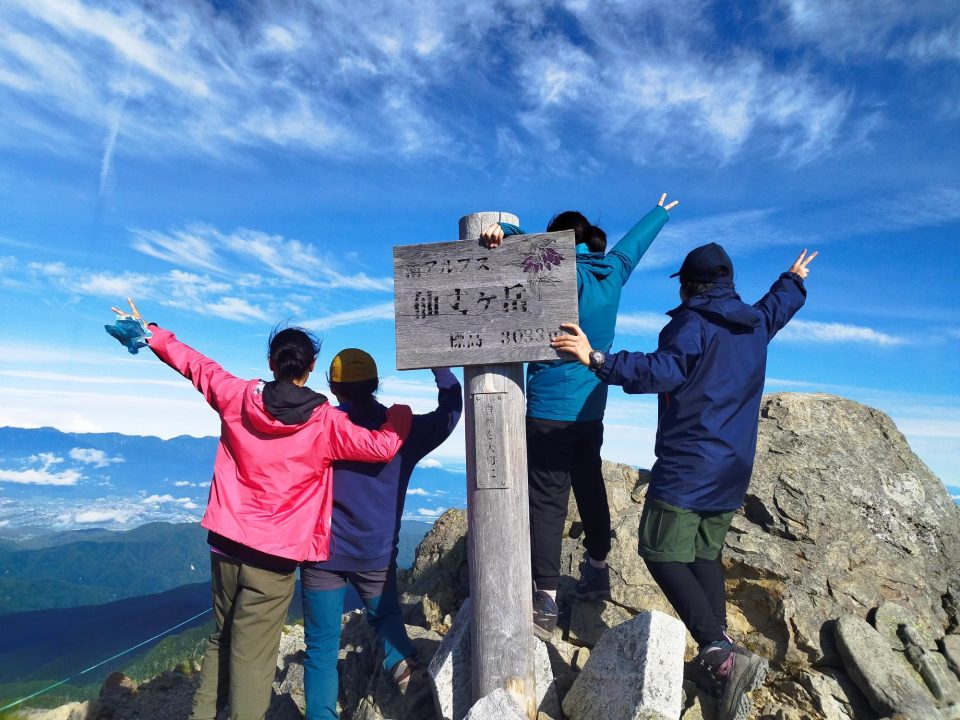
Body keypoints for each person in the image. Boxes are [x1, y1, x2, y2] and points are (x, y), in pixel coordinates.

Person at [105, 300, 413, 720]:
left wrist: (153, 334)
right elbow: (382, 446)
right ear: (311, 367)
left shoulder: (236, 396)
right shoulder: (326, 423)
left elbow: (195, 365)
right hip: (274, 558)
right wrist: (400, 414)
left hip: (225, 545)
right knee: (254, 658)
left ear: (271, 362)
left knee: (221, 638)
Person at [550, 245, 818, 720]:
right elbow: (778, 307)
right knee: (702, 554)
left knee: (658, 549)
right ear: (728, 282)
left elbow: (662, 370)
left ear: (687, 286)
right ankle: (720, 655)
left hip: (690, 463)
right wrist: (792, 280)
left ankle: (719, 653)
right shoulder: (754, 323)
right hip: (733, 466)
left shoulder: (691, 324)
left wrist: (595, 358)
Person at [480, 193, 677, 637]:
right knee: (589, 484)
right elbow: (632, 246)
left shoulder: (556, 273)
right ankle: (597, 568)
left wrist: (504, 230)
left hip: (548, 410)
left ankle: (546, 598)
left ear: (556, 242)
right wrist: (659, 213)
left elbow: (523, 244)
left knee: (548, 500)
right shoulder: (612, 273)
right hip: (591, 409)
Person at [298, 349, 462, 720]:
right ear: (376, 384)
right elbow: (450, 412)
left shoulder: (320, 427)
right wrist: (441, 369)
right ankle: (407, 675)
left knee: (321, 648)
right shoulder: (404, 430)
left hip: (321, 553)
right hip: (375, 555)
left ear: (334, 387)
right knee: (385, 616)